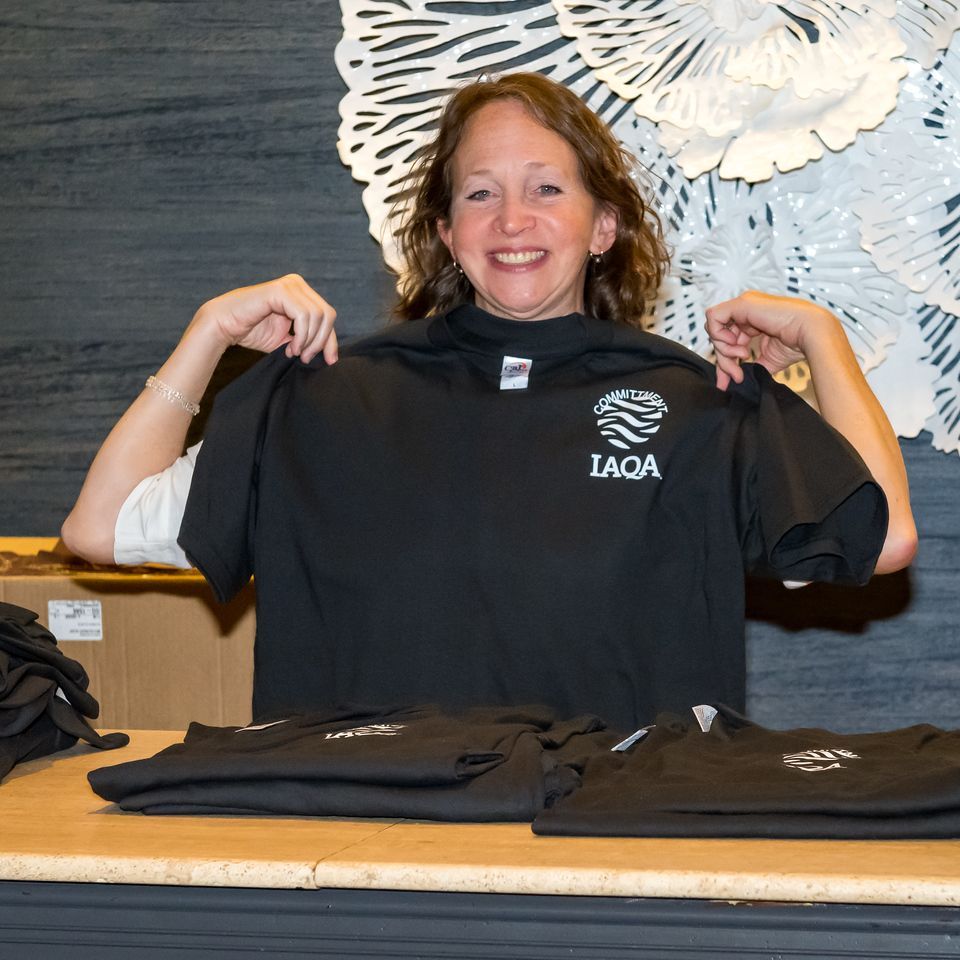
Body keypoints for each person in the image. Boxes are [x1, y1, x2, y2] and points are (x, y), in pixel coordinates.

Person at [61, 73, 916, 730]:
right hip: (367, 842)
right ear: (444, 231)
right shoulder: (330, 396)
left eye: (547, 189)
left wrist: (824, 343)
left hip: (609, 848)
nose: (513, 219)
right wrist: (207, 334)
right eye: (480, 193)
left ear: (603, 225)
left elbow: (882, 541)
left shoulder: (694, 404)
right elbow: (99, 528)